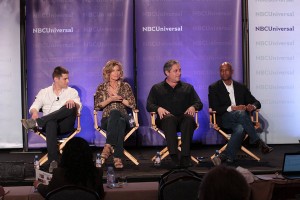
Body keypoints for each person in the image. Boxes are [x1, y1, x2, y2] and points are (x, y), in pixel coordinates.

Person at [208, 61, 273, 165]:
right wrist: (233, 108)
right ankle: (258, 142)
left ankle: (225, 156)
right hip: (224, 119)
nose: (224, 72)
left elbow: (257, 103)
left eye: (226, 70)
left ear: (232, 71)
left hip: (241, 122)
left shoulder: (241, 87)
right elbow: (215, 108)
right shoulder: (214, 87)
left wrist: (253, 106)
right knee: (241, 113)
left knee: (240, 128)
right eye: (221, 71)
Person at [146, 59, 203, 168]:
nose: (179, 73)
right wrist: (158, 108)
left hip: (183, 119)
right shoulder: (157, 88)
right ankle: (174, 156)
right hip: (165, 121)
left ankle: (186, 157)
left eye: (180, 70)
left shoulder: (188, 88)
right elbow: (149, 105)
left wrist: (193, 106)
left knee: (189, 120)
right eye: (175, 71)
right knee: (169, 119)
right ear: (167, 73)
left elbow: (199, 103)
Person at [21, 66, 82, 165]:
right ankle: (53, 162)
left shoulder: (72, 92)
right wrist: (35, 112)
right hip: (49, 127)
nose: (68, 81)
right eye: (65, 78)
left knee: (71, 106)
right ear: (56, 79)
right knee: (51, 123)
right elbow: (34, 106)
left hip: (65, 126)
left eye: (68, 78)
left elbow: (78, 107)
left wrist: (74, 103)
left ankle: (38, 122)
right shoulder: (44, 92)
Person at [94, 60, 136, 169]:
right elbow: (97, 106)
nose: (116, 73)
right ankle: (117, 157)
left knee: (117, 113)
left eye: (118, 70)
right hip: (106, 120)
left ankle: (108, 145)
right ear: (108, 73)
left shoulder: (125, 86)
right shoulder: (101, 87)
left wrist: (120, 99)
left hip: (125, 117)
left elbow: (132, 104)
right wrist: (110, 99)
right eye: (113, 71)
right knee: (118, 120)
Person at [33, 137, 104, 199]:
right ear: (88, 155)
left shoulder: (58, 173)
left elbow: (49, 193)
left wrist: (38, 185)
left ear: (65, 155)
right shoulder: (97, 173)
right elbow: (100, 195)